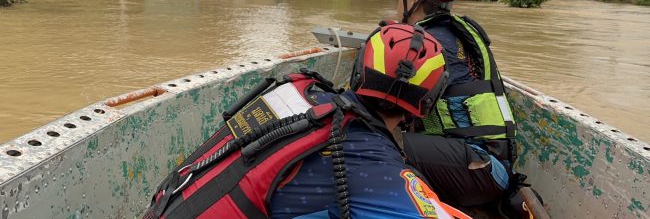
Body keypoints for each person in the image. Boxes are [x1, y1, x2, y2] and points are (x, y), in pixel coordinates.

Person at [145, 24, 470, 219]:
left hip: (164, 206)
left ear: (358, 74)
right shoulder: (374, 163)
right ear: (426, 105)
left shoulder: (298, 90)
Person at [395, 0, 523, 211]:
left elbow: (386, 103)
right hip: (492, 167)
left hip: (479, 169)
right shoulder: (457, 33)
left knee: (376, 138)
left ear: (414, 0)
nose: (398, 2)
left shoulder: (424, 43)